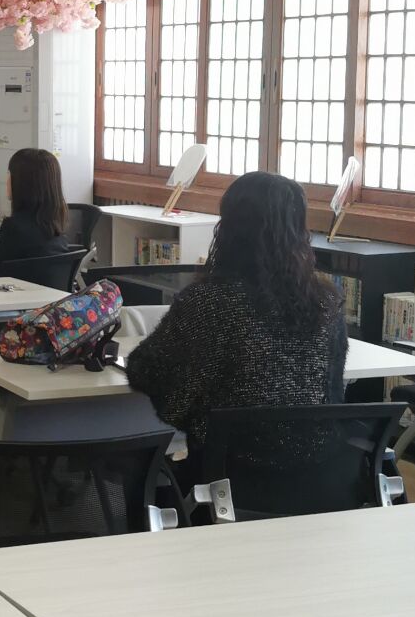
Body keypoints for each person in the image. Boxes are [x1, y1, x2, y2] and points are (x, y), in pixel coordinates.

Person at [125, 169, 346, 461]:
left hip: (226, 474)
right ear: (299, 231)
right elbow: (333, 390)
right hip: (316, 469)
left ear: (229, 228)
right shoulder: (327, 301)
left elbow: (150, 372)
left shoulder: (209, 300)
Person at [0, 146, 71, 275]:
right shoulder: (56, 228)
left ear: (22, 183)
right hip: (48, 289)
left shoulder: (13, 227)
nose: (6, 181)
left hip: (16, 288)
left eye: (9, 175)